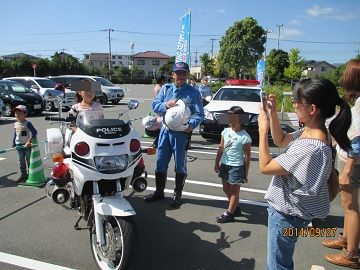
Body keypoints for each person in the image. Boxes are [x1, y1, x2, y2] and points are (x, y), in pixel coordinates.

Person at [258, 78, 352, 270]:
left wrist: (262, 129)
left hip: (285, 215)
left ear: (312, 109)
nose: (293, 104)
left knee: (277, 266)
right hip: (294, 214)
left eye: (296, 101)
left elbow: (265, 166)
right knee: (282, 261)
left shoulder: (309, 147)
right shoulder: (313, 132)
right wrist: (273, 114)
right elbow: (281, 140)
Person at [145, 61, 204, 208]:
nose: (181, 76)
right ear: (173, 74)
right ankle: (159, 192)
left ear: (187, 74)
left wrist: (191, 125)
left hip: (181, 134)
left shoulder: (193, 92)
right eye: (178, 73)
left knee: (180, 165)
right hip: (164, 132)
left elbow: (200, 114)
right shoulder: (165, 89)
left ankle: (177, 194)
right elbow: (154, 105)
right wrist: (166, 104)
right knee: (160, 163)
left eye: (184, 73)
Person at [323, 59, 360, 269]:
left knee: (351, 207)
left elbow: (358, 140)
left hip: (352, 163)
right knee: (348, 206)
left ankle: (351, 254)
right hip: (350, 160)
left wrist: (346, 170)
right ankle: (346, 240)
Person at [214, 106, 251, 223]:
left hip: (237, 167)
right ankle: (235, 207)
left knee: (235, 192)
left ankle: (229, 213)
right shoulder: (225, 132)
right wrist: (216, 162)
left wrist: (245, 173)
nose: (231, 123)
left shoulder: (245, 137)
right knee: (226, 188)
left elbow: (247, 156)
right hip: (224, 164)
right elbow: (220, 148)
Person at [12, 105, 38, 183]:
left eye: (19, 113)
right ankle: (23, 174)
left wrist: (29, 141)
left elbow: (34, 132)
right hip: (19, 145)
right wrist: (13, 143)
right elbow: (15, 135)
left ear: (24, 114)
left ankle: (31, 175)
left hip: (26, 145)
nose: (17, 115)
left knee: (29, 160)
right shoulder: (15, 124)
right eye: (16, 113)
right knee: (21, 161)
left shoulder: (28, 123)